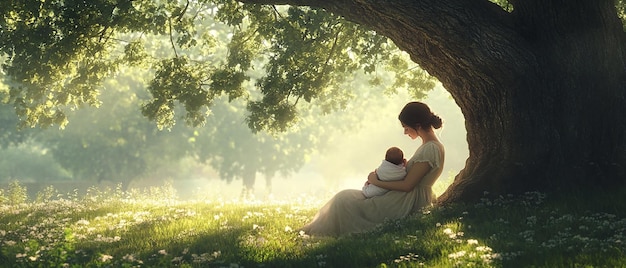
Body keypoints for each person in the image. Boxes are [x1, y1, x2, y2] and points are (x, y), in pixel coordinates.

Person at [300, 101, 445, 236]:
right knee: (345, 196)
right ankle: (312, 230)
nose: (405, 132)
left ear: (418, 125)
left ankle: (315, 232)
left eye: (406, 128)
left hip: (407, 202)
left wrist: (375, 181)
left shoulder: (430, 148)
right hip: (401, 197)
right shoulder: (428, 146)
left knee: (344, 200)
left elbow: (408, 185)